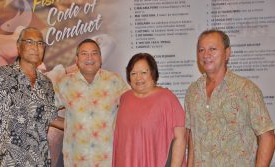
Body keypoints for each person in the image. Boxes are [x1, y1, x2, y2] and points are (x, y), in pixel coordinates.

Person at [185, 29, 275, 166]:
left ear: (227, 53)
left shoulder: (246, 89)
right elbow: (193, 137)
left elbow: (267, 137)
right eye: (201, 50)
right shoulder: (193, 92)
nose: (206, 55)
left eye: (212, 49)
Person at [0, 27, 64, 167]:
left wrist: (80, 123)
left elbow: (50, 116)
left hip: (40, 160)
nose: (35, 47)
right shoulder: (0, 75)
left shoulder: (46, 83)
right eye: (29, 42)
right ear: (19, 46)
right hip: (6, 160)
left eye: (40, 43)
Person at [54, 38, 128, 167]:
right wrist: (68, 124)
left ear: (100, 58)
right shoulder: (65, 83)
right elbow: (44, 111)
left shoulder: (114, 81)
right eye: (84, 54)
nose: (90, 57)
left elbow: (133, 107)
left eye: (94, 53)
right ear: (76, 59)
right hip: (76, 159)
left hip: (108, 160)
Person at [112, 53, 186, 167]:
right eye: (133, 73)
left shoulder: (167, 99)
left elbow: (180, 138)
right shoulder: (125, 98)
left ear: (153, 73)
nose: (138, 77)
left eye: (143, 72)